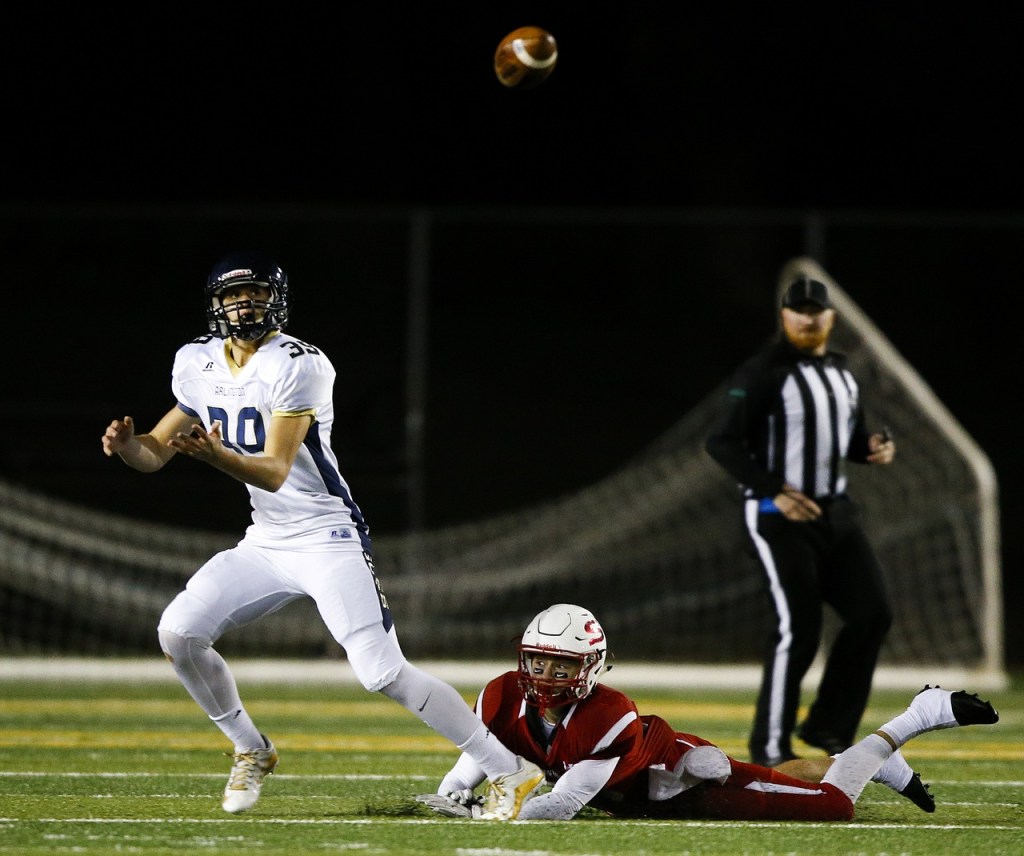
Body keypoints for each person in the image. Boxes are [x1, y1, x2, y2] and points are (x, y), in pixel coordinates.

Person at [101, 251, 543, 819]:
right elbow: (157, 453)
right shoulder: (195, 361)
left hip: (327, 534)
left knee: (381, 671)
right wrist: (128, 448)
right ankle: (250, 748)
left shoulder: (298, 363)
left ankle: (509, 768)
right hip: (267, 539)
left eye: (257, 294)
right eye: (234, 296)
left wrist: (215, 456)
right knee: (179, 632)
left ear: (276, 301)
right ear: (215, 305)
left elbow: (274, 470)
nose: (245, 305)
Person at [416, 603, 998, 821]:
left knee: (835, 808)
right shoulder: (499, 694)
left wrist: (488, 817)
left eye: (563, 666)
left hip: (683, 784)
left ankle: (914, 718)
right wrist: (453, 793)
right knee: (784, 779)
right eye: (538, 663)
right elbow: (481, 755)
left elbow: (564, 804)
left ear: (590, 668)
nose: (546, 677)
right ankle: (863, 761)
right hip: (642, 793)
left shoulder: (607, 714)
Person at [704, 275, 897, 767]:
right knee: (799, 629)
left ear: (830, 317)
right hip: (777, 516)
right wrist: (774, 491)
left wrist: (870, 448)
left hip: (836, 513)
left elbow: (847, 439)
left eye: (816, 311)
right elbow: (722, 442)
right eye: (799, 311)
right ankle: (769, 748)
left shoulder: (841, 370)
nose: (808, 319)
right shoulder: (763, 372)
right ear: (785, 317)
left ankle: (828, 724)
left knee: (873, 613)